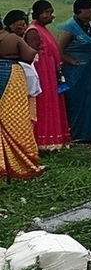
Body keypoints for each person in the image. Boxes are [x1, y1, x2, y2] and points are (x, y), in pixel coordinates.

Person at [55, 0, 91, 144]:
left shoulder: (86, 25)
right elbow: (58, 50)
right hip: (75, 73)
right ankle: (76, 134)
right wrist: (72, 61)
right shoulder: (69, 28)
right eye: (89, 12)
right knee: (77, 103)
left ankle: (89, 133)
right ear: (79, 11)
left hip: (89, 72)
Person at [24, 0, 70, 151]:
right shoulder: (33, 31)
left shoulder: (43, 29)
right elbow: (32, 54)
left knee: (53, 102)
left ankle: (55, 137)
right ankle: (42, 140)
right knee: (44, 104)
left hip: (50, 71)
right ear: (38, 14)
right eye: (47, 12)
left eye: (51, 12)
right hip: (41, 72)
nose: (50, 16)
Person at [0, 13, 41, 181]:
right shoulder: (11, 39)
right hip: (11, 75)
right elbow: (29, 56)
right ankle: (19, 162)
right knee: (14, 118)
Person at [5, 11, 41, 122]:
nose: (23, 27)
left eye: (24, 24)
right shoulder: (13, 39)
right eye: (19, 26)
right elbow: (29, 56)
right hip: (14, 78)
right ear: (11, 25)